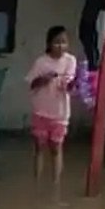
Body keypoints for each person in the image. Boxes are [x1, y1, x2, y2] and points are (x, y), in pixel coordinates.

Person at [25, 26, 78, 183]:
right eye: (56, 42)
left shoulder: (70, 61)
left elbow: (70, 85)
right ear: (49, 44)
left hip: (60, 113)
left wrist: (72, 84)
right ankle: (37, 182)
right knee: (39, 148)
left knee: (56, 148)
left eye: (63, 42)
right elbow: (31, 83)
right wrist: (43, 79)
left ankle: (55, 184)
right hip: (41, 111)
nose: (60, 46)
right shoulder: (41, 62)